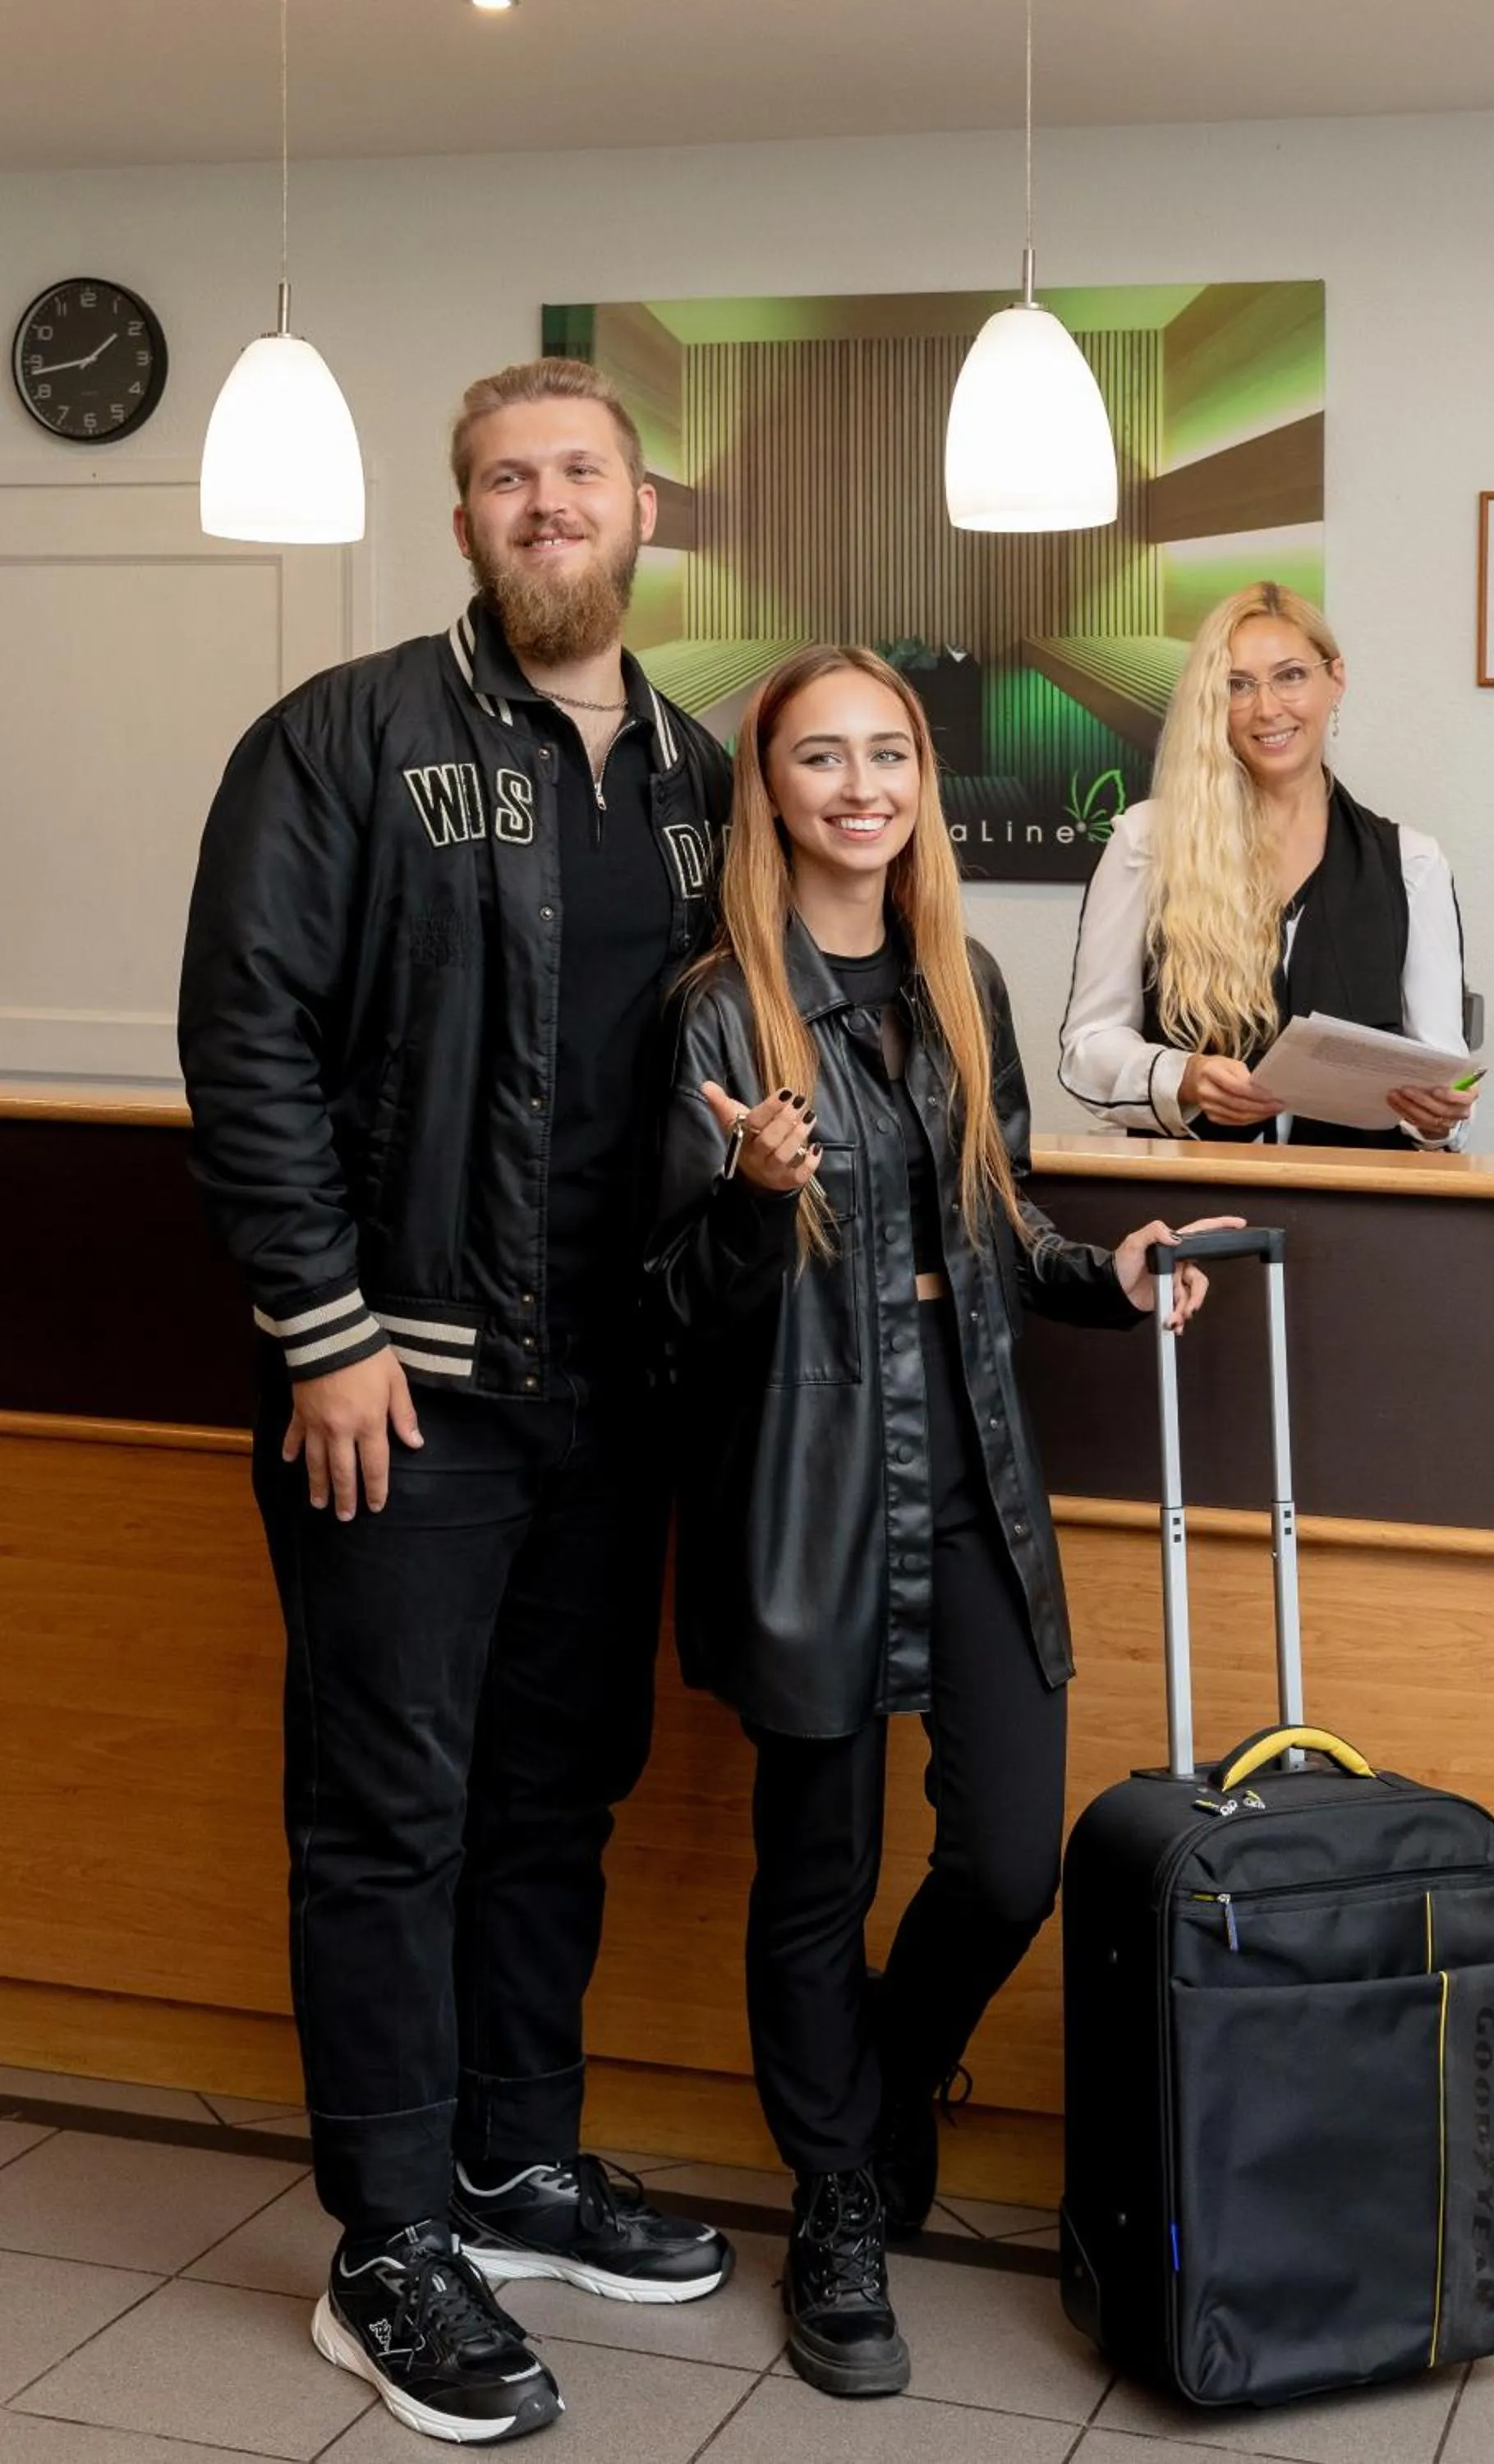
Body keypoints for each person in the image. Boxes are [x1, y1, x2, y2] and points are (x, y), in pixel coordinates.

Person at [178, 357, 735, 2447]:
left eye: (577, 471)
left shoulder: (691, 772)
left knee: (547, 1794)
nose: (544, 503)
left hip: (614, 1395)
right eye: (505, 477)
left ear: (640, 508)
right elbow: (244, 1043)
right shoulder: (341, 738)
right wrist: (320, 1330)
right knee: (388, 1816)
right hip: (397, 1391)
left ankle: (512, 2159)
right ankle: (387, 2234)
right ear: (462, 522)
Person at [645, 645, 1234, 2399]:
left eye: (884, 753)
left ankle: (885, 2081)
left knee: (1001, 1858)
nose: (858, 786)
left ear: (917, 779)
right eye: (817, 758)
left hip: (969, 1460)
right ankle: (835, 2199)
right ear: (770, 790)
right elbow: (665, 1299)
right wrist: (753, 1201)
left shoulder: (958, 975)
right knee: (811, 1870)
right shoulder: (710, 1011)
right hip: (806, 1474)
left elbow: (992, 1220)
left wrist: (1103, 1276)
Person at [1059, 580, 1478, 1148]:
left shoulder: (1412, 863)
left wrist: (1438, 1117)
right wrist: (1184, 1077)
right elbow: (1088, 1048)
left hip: (1363, 1209)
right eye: (1237, 686)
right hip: (1192, 1206)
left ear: (1337, 679)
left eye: (1291, 676)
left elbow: (1442, 1069)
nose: (1267, 708)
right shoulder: (1146, 842)